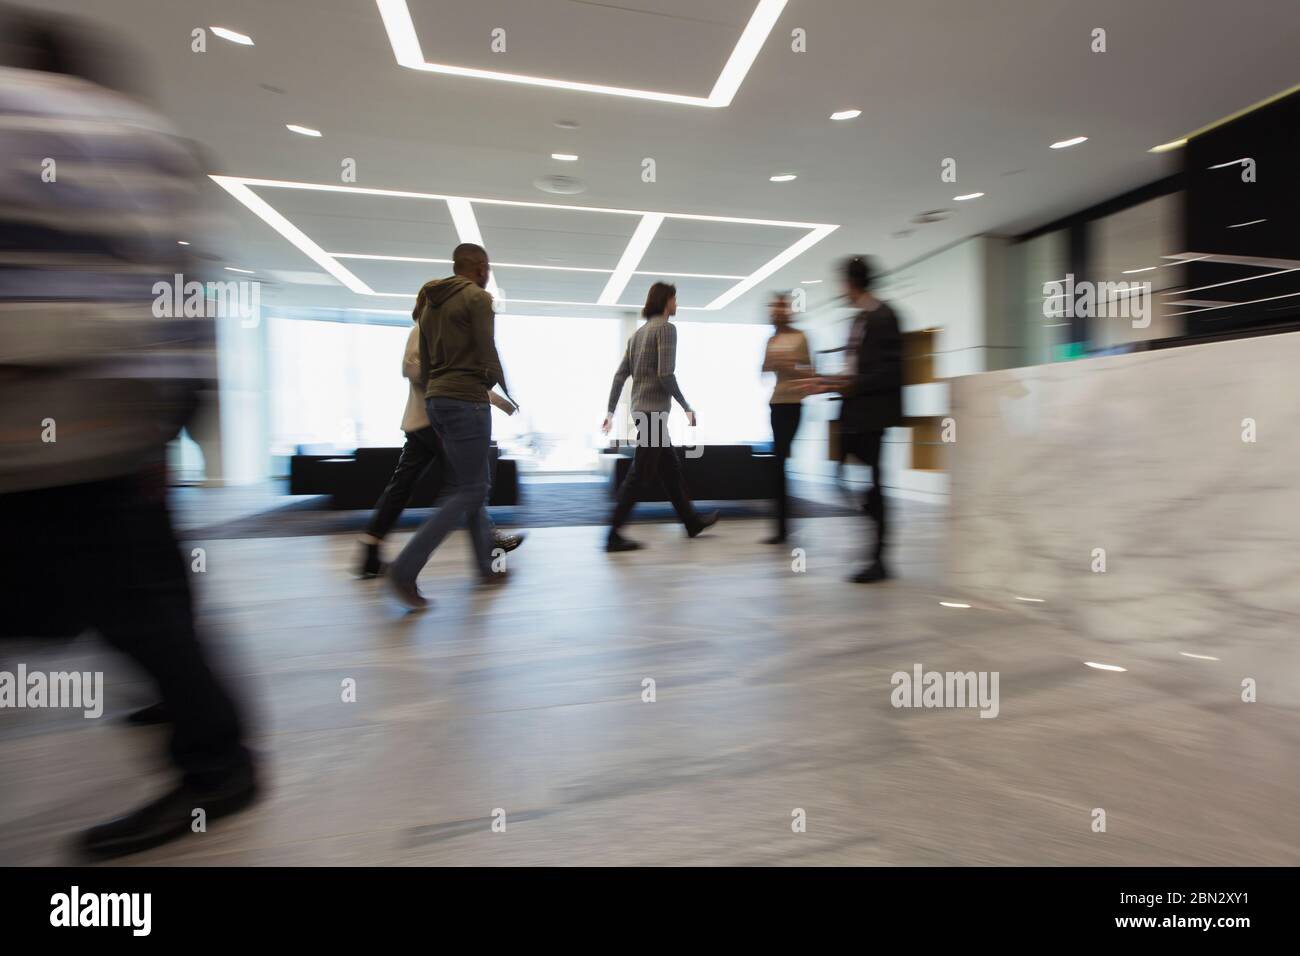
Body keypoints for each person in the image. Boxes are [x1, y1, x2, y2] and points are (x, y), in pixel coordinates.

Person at [0, 8, 256, 857]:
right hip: (116, 407)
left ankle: (215, 757)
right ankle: (208, 747)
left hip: (45, 413)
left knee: (125, 595)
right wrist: (182, 407)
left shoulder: (20, 114)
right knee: (139, 591)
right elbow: (186, 280)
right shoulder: (146, 138)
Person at [357, 288, 524, 579]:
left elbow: (459, 380)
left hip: (426, 422)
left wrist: (500, 403)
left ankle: (371, 547)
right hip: (435, 424)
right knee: (470, 485)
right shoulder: (422, 329)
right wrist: (442, 388)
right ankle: (488, 544)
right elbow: (413, 369)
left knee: (405, 486)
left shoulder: (434, 333)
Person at [386, 244, 508, 609]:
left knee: (467, 485)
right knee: (472, 490)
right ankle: (404, 571)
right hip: (467, 400)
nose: (487, 273)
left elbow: (423, 361)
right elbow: (488, 352)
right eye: (487, 266)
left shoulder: (431, 302)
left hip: (436, 401)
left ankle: (486, 567)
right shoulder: (478, 298)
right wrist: (504, 388)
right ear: (480, 266)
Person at [601, 282, 718, 551]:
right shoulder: (666, 329)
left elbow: (620, 375)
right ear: (666, 301)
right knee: (639, 474)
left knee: (670, 469)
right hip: (653, 413)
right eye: (675, 299)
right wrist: (686, 405)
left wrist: (610, 410)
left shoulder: (637, 335)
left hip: (642, 411)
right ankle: (612, 534)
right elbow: (666, 374)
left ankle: (691, 522)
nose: (677, 305)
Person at [807, 256, 903, 582]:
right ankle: (873, 532)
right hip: (854, 411)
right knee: (842, 475)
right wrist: (830, 382)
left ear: (851, 284)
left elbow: (889, 373)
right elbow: (855, 369)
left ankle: (879, 555)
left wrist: (847, 383)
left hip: (873, 414)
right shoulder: (859, 320)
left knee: (873, 482)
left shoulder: (884, 317)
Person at [761, 292, 811, 544]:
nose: (777, 312)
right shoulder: (772, 339)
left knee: (781, 459)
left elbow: (810, 371)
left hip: (794, 404)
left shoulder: (800, 337)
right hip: (776, 403)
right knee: (778, 462)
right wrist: (772, 362)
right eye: (774, 309)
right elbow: (764, 370)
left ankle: (782, 527)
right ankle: (780, 528)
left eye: (780, 308)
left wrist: (791, 366)